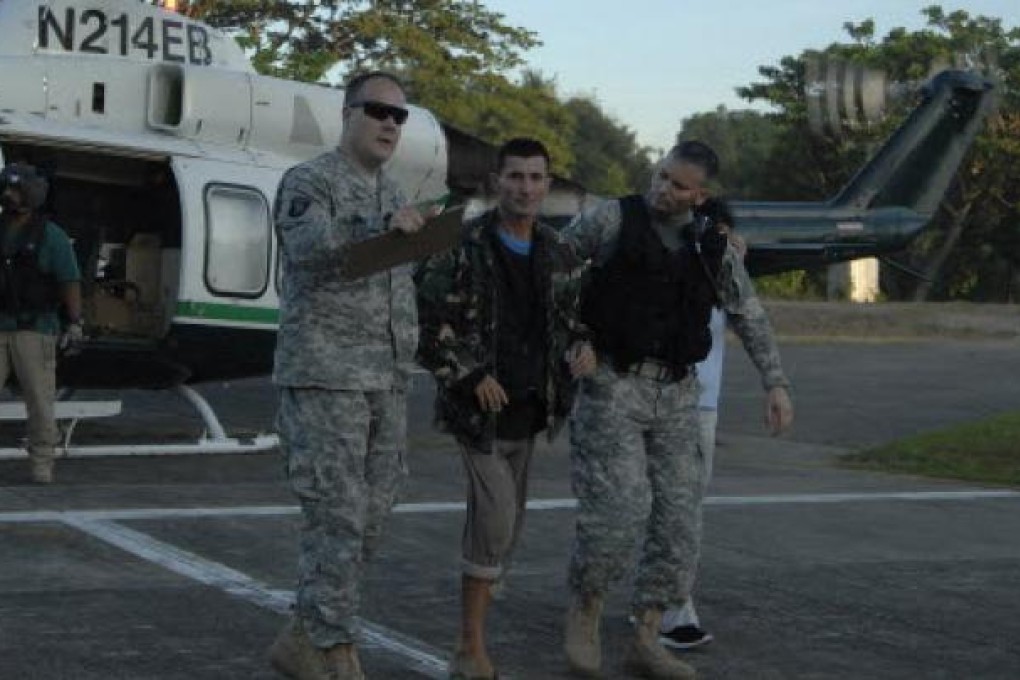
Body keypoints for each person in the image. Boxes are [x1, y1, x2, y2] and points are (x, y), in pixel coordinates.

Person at [560, 142, 793, 680]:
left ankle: (647, 633)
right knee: (616, 513)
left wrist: (775, 382)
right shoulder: (611, 219)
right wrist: (572, 339)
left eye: (679, 185)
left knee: (679, 523)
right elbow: (551, 277)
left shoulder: (711, 244)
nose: (664, 190)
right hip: (613, 384)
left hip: (677, 393)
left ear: (701, 195)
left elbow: (748, 312)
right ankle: (585, 611)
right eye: (661, 176)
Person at [268, 71, 432, 680]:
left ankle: (305, 634)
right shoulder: (309, 182)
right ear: (347, 114)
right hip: (325, 374)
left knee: (373, 514)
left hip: (385, 378)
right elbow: (311, 251)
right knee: (336, 515)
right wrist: (384, 231)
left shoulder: (396, 192)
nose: (391, 123)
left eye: (400, 115)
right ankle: (337, 651)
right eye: (379, 111)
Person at [415, 138, 592, 680]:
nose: (526, 188)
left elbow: (574, 319)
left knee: (506, 532)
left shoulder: (559, 251)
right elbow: (425, 320)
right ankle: (470, 649)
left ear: (547, 183)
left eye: (536, 178)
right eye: (515, 177)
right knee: (494, 522)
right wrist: (468, 374)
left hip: (532, 410)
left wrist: (584, 345)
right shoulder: (463, 245)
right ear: (497, 181)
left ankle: (472, 637)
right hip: (479, 412)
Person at [657, 199, 791, 652]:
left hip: (701, 408)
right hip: (644, 402)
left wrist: (775, 384)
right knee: (642, 508)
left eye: (720, 230)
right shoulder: (657, 258)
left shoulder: (725, 272)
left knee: (685, 511)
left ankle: (670, 606)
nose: (709, 236)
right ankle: (656, 604)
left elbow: (753, 322)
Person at [0, 163, 82, 485]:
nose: (9, 195)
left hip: (36, 329)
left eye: (15, 190)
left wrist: (74, 323)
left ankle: (42, 461)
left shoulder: (51, 236)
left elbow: (70, 281)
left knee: (39, 400)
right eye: (7, 189)